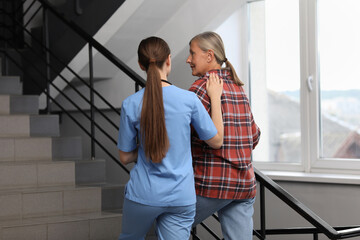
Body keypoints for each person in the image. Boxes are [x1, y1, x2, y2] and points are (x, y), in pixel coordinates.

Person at [117, 36, 224, 240]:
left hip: (143, 195)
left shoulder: (130, 104)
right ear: (168, 60)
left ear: (141, 65)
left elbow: (124, 157)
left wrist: (144, 148)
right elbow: (216, 141)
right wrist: (215, 99)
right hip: (181, 196)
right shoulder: (189, 100)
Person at [187, 31, 261, 240]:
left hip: (213, 184)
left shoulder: (200, 89)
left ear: (209, 55)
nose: (188, 59)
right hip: (244, 184)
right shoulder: (239, 89)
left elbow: (183, 135)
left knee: (168, 223)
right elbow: (254, 136)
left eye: (192, 54)